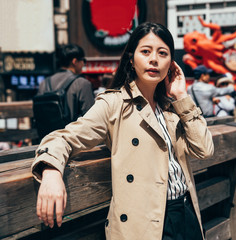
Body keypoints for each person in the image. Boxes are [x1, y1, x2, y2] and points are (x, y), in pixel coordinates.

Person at [31, 22, 214, 240]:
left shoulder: (171, 108)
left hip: (186, 214)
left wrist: (182, 97)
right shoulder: (114, 103)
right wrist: (51, 171)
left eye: (162, 53)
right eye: (145, 51)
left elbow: (204, 150)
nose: (154, 59)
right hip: (145, 224)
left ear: (171, 64)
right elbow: (65, 138)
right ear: (131, 58)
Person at [37, 44, 95, 122]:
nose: (83, 64)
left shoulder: (45, 83)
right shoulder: (82, 83)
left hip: (48, 133)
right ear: (75, 61)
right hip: (72, 133)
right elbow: (90, 116)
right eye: (83, 60)